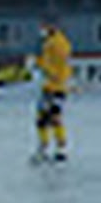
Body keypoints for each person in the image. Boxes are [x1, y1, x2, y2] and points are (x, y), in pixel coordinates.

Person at [31, 15, 74, 162]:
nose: (41, 30)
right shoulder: (49, 42)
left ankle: (60, 148)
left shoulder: (59, 43)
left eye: (44, 26)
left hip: (57, 86)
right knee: (43, 118)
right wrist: (37, 61)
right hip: (49, 86)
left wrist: (43, 67)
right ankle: (45, 147)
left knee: (54, 117)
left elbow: (58, 65)